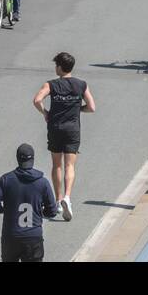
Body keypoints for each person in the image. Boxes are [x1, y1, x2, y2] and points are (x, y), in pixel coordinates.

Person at [32, 52, 96, 220]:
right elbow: (91, 107)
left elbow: (37, 100)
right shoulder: (81, 85)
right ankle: (68, 197)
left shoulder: (51, 85)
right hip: (72, 129)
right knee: (70, 166)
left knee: (56, 165)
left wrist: (45, 113)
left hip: (55, 127)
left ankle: (58, 200)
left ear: (60, 67)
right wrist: (78, 108)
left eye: (56, 65)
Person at [0, 143, 59, 262]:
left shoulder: (6, 179)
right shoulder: (43, 182)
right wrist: (40, 212)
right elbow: (52, 211)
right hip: (33, 237)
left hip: (11, 236)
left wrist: (5, 210)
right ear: (32, 159)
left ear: (17, 159)